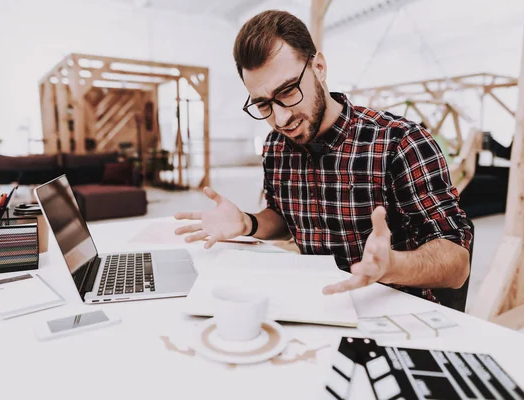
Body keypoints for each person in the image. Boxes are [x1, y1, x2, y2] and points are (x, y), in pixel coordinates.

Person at [174, 10, 472, 303]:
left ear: (319, 68)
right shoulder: (276, 147)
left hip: (392, 310)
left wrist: (392, 266)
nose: (280, 118)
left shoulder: (399, 142)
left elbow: (457, 264)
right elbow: (284, 217)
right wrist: (247, 222)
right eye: (263, 104)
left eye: (288, 91)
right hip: (316, 304)